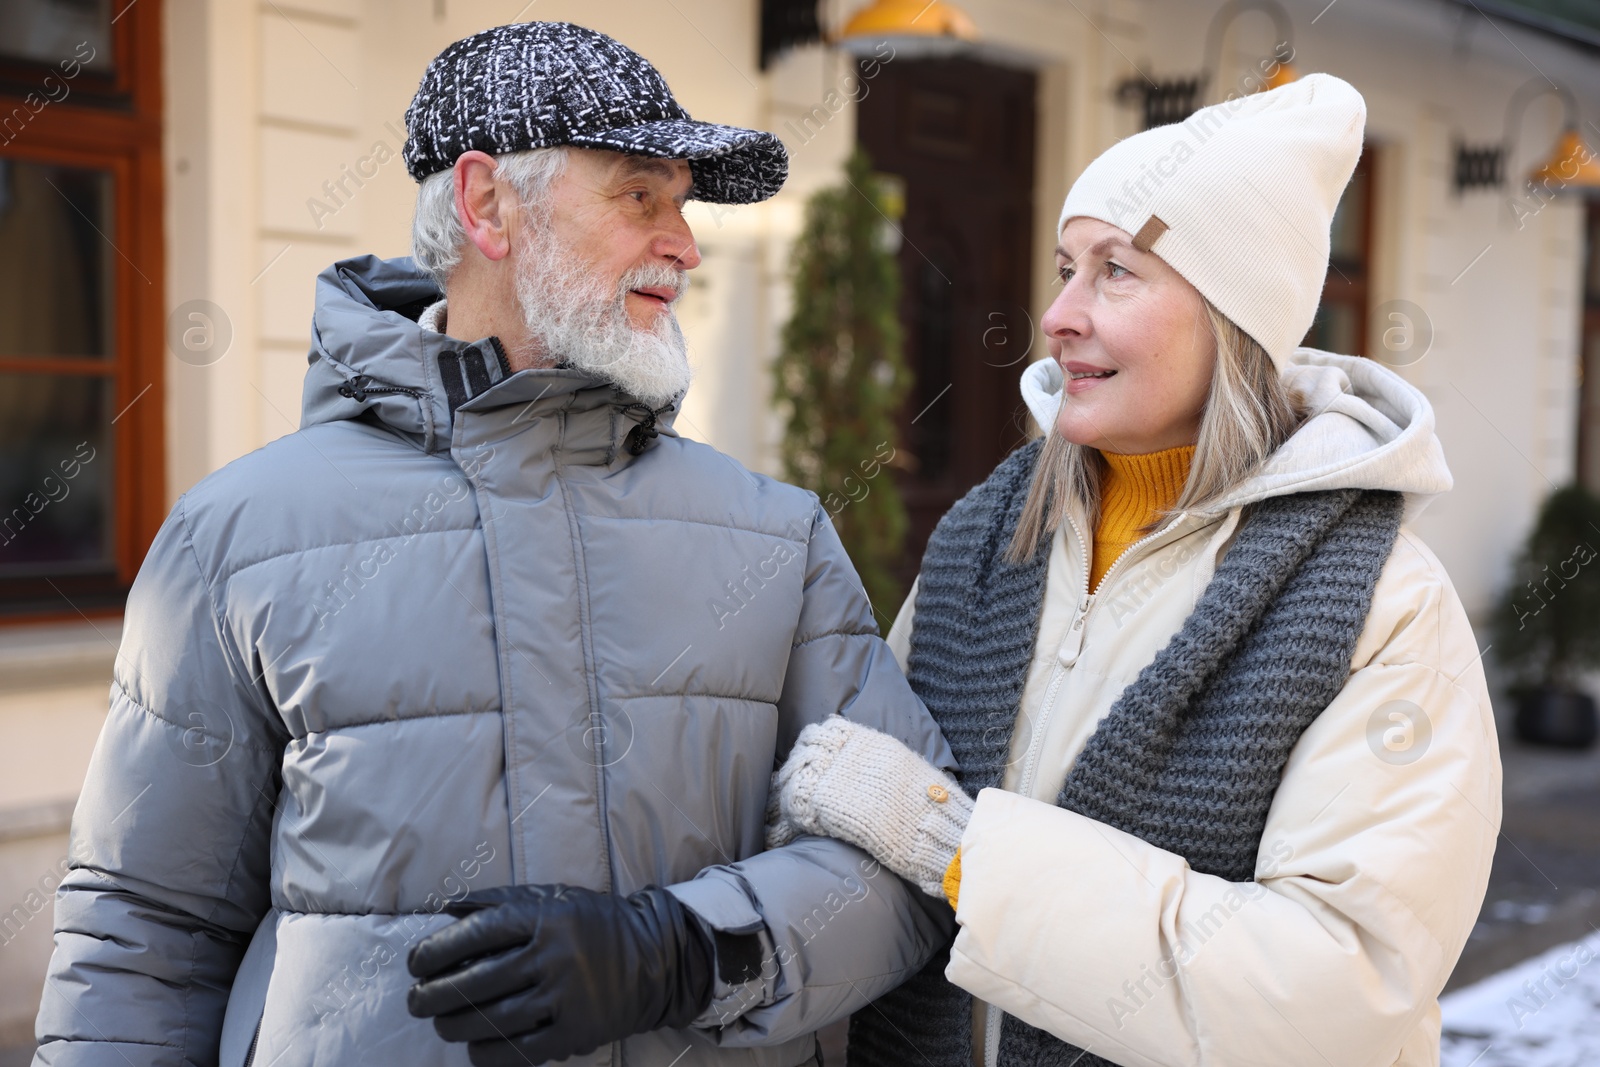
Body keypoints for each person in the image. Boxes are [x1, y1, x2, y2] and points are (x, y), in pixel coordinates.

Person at [33, 22, 954, 1067]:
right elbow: (145, 931)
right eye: (640, 195)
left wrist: (687, 952)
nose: (685, 243)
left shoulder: (775, 538)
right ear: (485, 206)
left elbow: (914, 857)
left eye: (683, 201)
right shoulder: (238, 536)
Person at [767, 73, 1501, 1067]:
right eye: (1066, 267)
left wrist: (961, 856)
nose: (1059, 314)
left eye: (1117, 269)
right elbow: (861, 818)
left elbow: (1342, 990)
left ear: (1231, 314)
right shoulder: (987, 537)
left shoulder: (1379, 606)